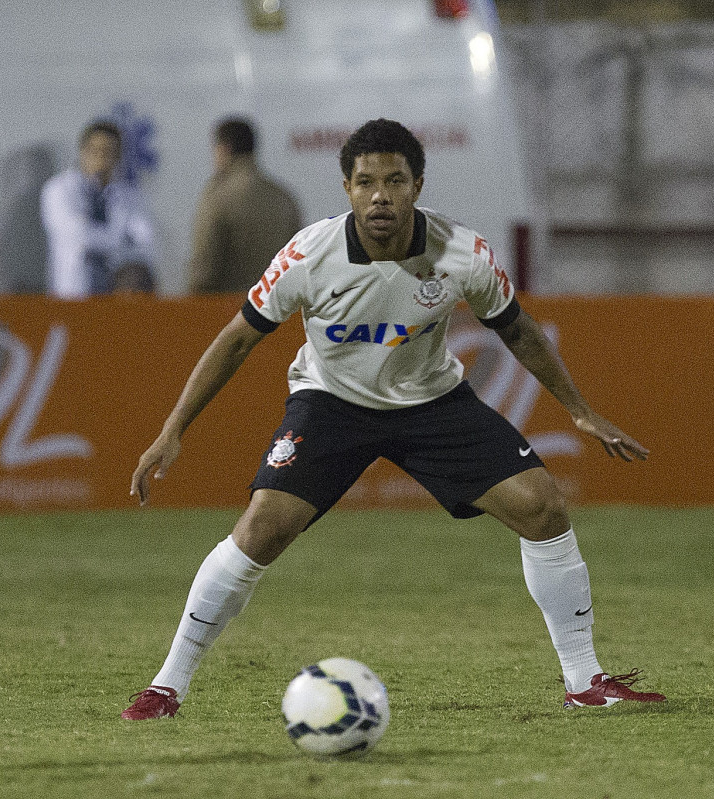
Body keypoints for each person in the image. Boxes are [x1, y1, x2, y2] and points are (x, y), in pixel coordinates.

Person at [121, 118, 665, 721]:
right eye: (365, 182)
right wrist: (172, 431)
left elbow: (516, 328)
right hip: (331, 402)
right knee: (260, 530)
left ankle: (585, 680)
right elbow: (235, 341)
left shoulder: (463, 253)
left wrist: (579, 410)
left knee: (543, 507)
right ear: (347, 189)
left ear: (417, 185)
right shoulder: (308, 254)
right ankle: (166, 686)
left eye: (394, 181)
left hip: (431, 403)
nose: (380, 195)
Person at [41, 120, 156, 298]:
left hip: (115, 294)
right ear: (82, 152)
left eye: (108, 152)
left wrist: (122, 245)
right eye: (94, 151)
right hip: (72, 294)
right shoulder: (59, 190)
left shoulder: (129, 196)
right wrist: (121, 240)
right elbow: (80, 234)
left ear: (118, 156)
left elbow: (148, 241)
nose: (101, 158)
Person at [187, 117, 302, 294]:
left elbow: (203, 271)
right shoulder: (283, 197)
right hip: (280, 313)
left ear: (224, 149)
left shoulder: (218, 196)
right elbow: (299, 265)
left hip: (229, 313)